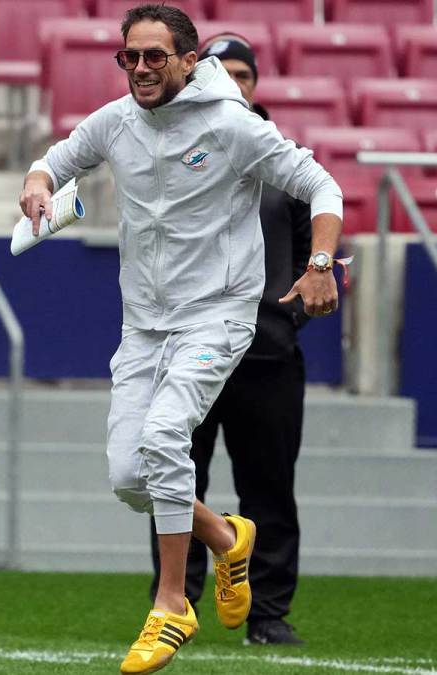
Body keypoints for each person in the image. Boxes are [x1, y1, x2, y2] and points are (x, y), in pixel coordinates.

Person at [17, 5, 344, 673]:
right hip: (144, 326)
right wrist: (38, 184)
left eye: (154, 57)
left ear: (189, 61)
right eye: (129, 57)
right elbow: (57, 160)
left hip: (218, 317)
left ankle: (172, 603)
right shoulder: (116, 121)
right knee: (130, 477)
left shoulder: (232, 125)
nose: (139, 69)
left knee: (164, 439)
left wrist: (319, 264)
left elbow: (321, 184)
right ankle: (228, 535)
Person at [146, 33, 314, 647]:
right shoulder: (173, 143)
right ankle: (176, 601)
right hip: (188, 342)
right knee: (174, 476)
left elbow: (308, 241)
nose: (234, 83)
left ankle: (267, 615)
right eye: (223, 72)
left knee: (270, 487)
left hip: (266, 353)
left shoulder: (282, 157)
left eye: (244, 74)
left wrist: (285, 317)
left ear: (256, 83)